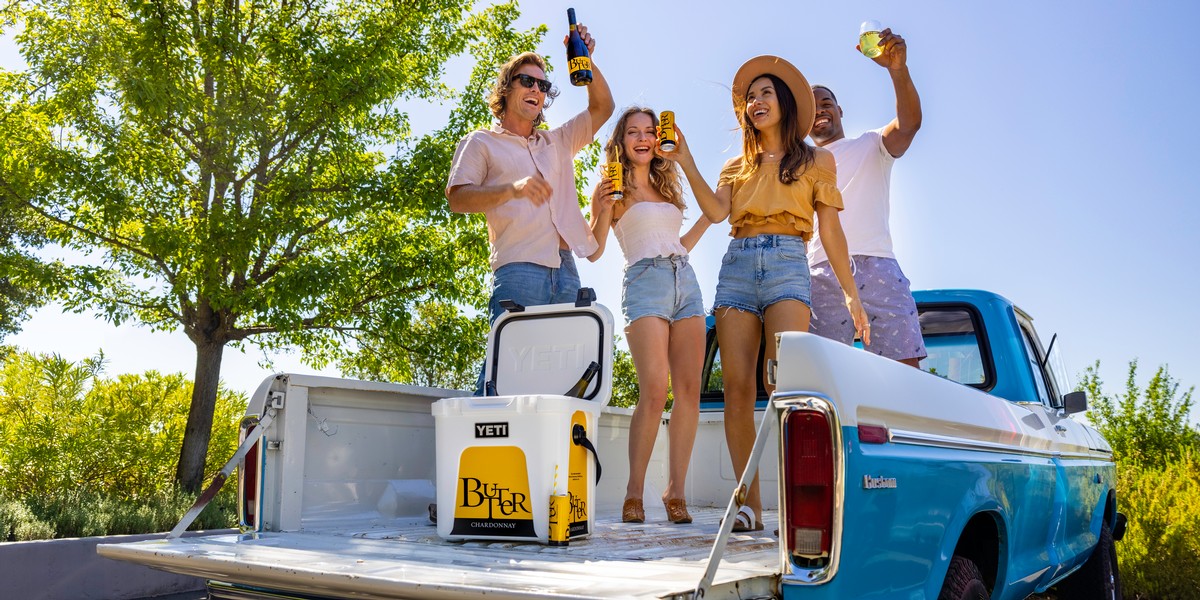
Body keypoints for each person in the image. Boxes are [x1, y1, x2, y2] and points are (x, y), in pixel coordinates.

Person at [669, 56, 869, 532]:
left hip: (787, 264)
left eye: (766, 94)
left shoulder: (817, 159)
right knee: (739, 389)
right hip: (737, 265)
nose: (756, 102)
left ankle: (800, 504)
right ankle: (749, 506)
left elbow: (832, 231)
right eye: (750, 97)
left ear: (784, 103)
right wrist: (684, 159)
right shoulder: (735, 164)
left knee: (783, 386)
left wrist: (851, 294)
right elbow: (717, 212)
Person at [445, 27, 615, 394]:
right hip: (519, 270)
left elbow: (603, 107)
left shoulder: (558, 141)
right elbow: (457, 198)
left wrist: (586, 57)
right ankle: (477, 445)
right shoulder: (481, 142)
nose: (537, 90)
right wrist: (513, 189)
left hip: (567, 272)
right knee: (502, 374)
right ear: (506, 88)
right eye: (528, 81)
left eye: (544, 86)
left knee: (562, 380)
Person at [587, 107, 712, 525]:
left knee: (690, 390)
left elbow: (680, 237)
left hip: (685, 281)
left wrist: (695, 235)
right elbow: (594, 247)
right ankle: (633, 491)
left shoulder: (667, 185)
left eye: (648, 131)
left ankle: (675, 491)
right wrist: (603, 207)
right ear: (621, 141)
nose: (642, 138)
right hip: (643, 281)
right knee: (655, 390)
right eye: (632, 132)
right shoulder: (612, 187)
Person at [807, 27, 926, 367]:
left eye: (826, 102)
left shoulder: (871, 143)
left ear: (840, 110)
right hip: (821, 271)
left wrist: (896, 69)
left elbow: (909, 125)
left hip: (878, 265)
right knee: (827, 375)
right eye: (811, 108)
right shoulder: (799, 164)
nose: (820, 110)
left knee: (904, 372)